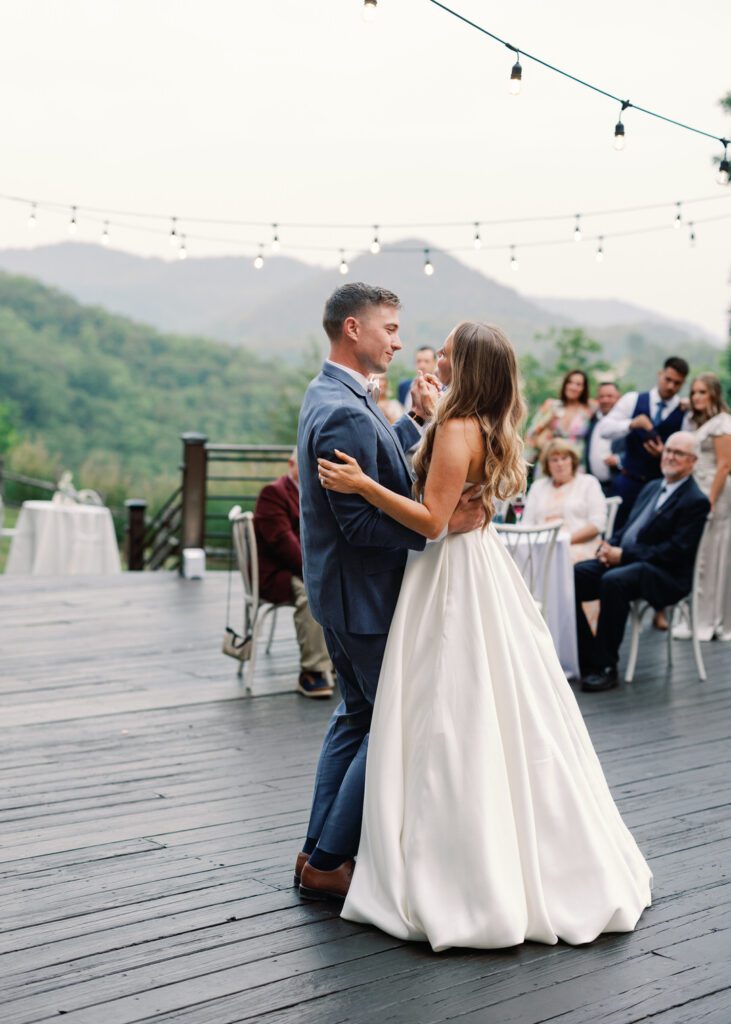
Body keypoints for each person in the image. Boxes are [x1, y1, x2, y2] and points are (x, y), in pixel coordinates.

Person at [318, 320, 651, 950]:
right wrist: (424, 420)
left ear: (465, 364)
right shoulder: (482, 421)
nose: (434, 355)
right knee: (493, 703)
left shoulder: (456, 425)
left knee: (444, 704)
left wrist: (363, 484)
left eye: (445, 351)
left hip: (447, 576)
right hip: (481, 566)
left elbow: (434, 521)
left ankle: (454, 867)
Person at [295, 283, 483, 902]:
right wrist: (437, 528)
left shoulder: (338, 393)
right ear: (353, 329)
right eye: (391, 329)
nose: (401, 342)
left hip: (340, 593)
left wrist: (418, 426)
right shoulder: (347, 407)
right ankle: (328, 860)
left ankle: (313, 850)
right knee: (390, 721)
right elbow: (359, 524)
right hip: (363, 597)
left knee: (356, 717)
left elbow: (384, 465)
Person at [574, 432, 710, 692]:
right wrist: (609, 545)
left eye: (678, 453)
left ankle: (606, 668)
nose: (670, 456)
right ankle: (588, 660)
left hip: (666, 575)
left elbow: (674, 552)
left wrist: (623, 556)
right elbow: (628, 528)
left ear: (692, 461)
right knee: (576, 575)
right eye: (668, 450)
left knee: (614, 581)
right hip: (630, 562)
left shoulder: (696, 501)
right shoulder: (651, 487)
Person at [253, 450, 334, 699]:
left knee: (343, 585)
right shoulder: (273, 493)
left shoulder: (319, 494)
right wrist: (321, 572)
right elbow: (283, 545)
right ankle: (314, 670)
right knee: (313, 594)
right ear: (291, 464)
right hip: (277, 574)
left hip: (305, 567)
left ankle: (339, 662)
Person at [599, 357, 689, 529]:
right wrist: (631, 424)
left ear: (683, 383)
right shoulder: (633, 400)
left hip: (660, 487)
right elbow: (604, 429)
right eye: (668, 380)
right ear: (659, 374)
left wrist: (664, 453)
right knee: (615, 531)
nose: (671, 386)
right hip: (628, 481)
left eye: (677, 383)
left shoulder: (685, 412)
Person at [676, 373, 731, 640]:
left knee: (711, 555)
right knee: (698, 554)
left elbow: (725, 465)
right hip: (697, 491)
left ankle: (711, 619)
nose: (696, 397)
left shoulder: (722, 424)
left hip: (715, 494)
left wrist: (709, 502)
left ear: (713, 394)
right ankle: (697, 614)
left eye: (702, 392)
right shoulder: (701, 422)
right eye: (694, 392)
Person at [523, 438, 607, 563]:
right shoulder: (538, 487)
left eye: (564, 458)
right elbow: (526, 524)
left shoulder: (588, 483)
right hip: (540, 547)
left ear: (572, 460)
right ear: (547, 464)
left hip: (578, 546)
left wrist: (563, 542)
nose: (560, 464)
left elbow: (597, 524)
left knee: (555, 560)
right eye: (554, 460)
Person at [525, 369, 593, 465]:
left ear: (584, 388)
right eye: (570, 382)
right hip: (550, 461)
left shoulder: (588, 411)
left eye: (578, 384)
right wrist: (547, 422)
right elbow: (531, 433)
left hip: (576, 464)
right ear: (565, 384)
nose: (573, 387)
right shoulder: (551, 405)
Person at [584, 380, 624, 496]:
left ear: (618, 398)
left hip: (617, 484)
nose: (605, 400)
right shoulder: (592, 420)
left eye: (609, 396)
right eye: (601, 396)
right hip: (592, 486)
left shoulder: (626, 423)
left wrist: (618, 459)